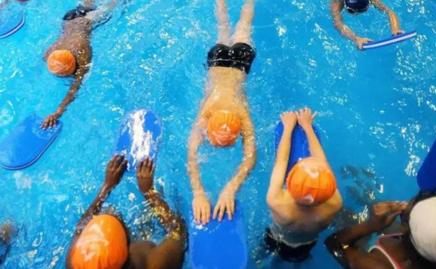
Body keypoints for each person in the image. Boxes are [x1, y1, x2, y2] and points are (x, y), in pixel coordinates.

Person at [187, 0, 256, 225]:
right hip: (219, 62)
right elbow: (250, 157)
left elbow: (192, 153)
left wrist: (199, 191)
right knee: (226, 26)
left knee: (236, 24)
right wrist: (229, 188)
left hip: (240, 63)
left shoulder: (210, 111)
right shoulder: (238, 114)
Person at [66, 156, 187, 269]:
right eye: (119, 221)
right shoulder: (153, 262)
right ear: (128, 243)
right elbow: (179, 232)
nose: (112, 212)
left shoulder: (76, 262)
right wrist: (149, 192)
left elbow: (80, 227)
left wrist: (106, 187)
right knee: (147, 223)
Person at [265, 108, 343, 262]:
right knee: (300, 259)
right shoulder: (335, 202)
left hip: (278, 238)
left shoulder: (276, 201)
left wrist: (287, 128)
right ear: (329, 187)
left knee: (270, 253)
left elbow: (281, 160)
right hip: (308, 243)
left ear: (288, 182)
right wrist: (308, 127)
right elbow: (322, 161)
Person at [325, 191, 436, 269]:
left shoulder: (374, 265)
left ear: (407, 228)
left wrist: (370, 225)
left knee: (345, 217)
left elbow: (334, 245)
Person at [41, 0, 116, 129]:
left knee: (115, 4)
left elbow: (74, 88)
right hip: (68, 19)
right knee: (85, 5)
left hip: (86, 20)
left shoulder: (82, 53)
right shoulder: (49, 54)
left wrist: (58, 112)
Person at [331, 0, 403, 49]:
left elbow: (389, 12)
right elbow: (338, 23)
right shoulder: (336, 2)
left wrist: (395, 29)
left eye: (363, 10)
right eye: (351, 11)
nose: (357, 14)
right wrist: (356, 39)